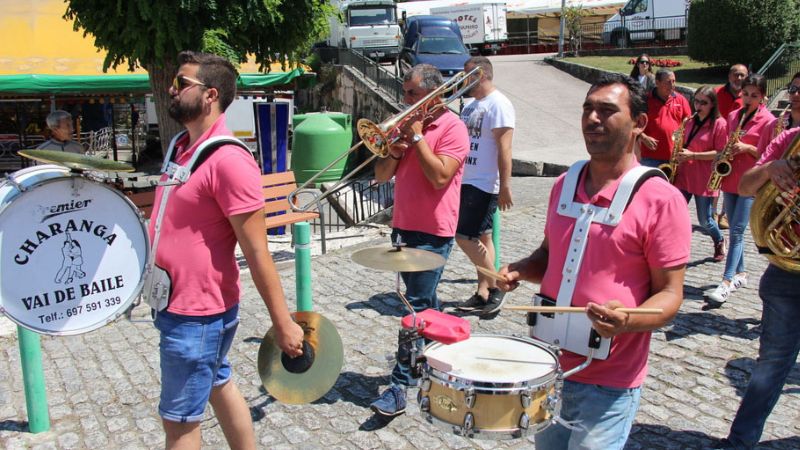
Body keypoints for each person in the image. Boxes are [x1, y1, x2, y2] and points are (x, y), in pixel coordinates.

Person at [497, 73, 691, 449]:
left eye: (606, 110)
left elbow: (670, 294)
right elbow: (549, 256)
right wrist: (520, 269)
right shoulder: (564, 184)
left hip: (609, 380)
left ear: (639, 123)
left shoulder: (661, 198)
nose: (592, 118)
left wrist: (628, 320)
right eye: (588, 108)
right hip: (549, 367)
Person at [151, 51, 304, 450]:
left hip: (198, 312)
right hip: (176, 301)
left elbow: (257, 252)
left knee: (180, 423)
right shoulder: (180, 146)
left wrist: (283, 322)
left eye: (181, 83)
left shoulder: (228, 160)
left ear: (210, 95)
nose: (171, 88)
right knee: (218, 382)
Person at [370, 63, 470, 417]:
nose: (405, 99)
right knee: (424, 303)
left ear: (435, 93)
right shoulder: (408, 126)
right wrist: (394, 149)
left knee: (414, 307)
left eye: (412, 93)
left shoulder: (453, 128)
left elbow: (440, 176)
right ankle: (447, 345)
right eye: (405, 92)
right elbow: (381, 176)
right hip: (404, 226)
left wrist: (416, 137)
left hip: (433, 230)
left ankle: (399, 385)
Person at [715, 126, 800, 450]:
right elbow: (745, 185)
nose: (795, 96)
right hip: (787, 275)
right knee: (771, 364)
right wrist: (769, 169)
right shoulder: (791, 140)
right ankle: (739, 442)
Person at [452, 56, 515, 318]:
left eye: (466, 75)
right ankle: (483, 291)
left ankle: (498, 286)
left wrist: (505, 186)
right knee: (483, 237)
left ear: (480, 75)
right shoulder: (472, 104)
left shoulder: (499, 104)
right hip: (467, 179)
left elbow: (505, 148)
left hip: (483, 182)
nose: (462, 80)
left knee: (464, 237)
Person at [706, 74, 773, 305]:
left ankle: (725, 282)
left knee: (736, 231)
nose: (749, 99)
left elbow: (767, 155)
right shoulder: (734, 116)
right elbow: (725, 143)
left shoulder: (768, 120)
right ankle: (742, 273)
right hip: (731, 177)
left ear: (762, 97)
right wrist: (725, 154)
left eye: (755, 95)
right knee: (734, 228)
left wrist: (746, 147)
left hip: (751, 180)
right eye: (746, 94)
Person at [673, 86, 729, 261]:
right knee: (674, 214)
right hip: (684, 175)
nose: (698, 106)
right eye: (696, 101)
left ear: (712, 104)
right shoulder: (689, 121)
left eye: (703, 102)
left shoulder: (720, 124)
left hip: (703, 177)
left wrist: (693, 155)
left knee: (705, 220)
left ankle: (719, 239)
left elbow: (721, 152)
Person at [715, 64, 749, 230]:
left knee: (731, 179)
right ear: (729, 76)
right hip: (718, 141)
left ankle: (725, 214)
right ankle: (713, 211)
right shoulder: (717, 93)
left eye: (743, 75)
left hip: (736, 144)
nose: (739, 78)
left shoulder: (749, 95)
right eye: (736, 75)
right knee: (714, 179)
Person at [639, 69, 692, 168]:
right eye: (668, 82)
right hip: (651, 158)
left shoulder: (681, 100)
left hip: (675, 158)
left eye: (674, 81)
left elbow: (690, 124)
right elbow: (632, 123)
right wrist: (644, 138)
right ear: (657, 82)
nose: (672, 85)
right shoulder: (645, 100)